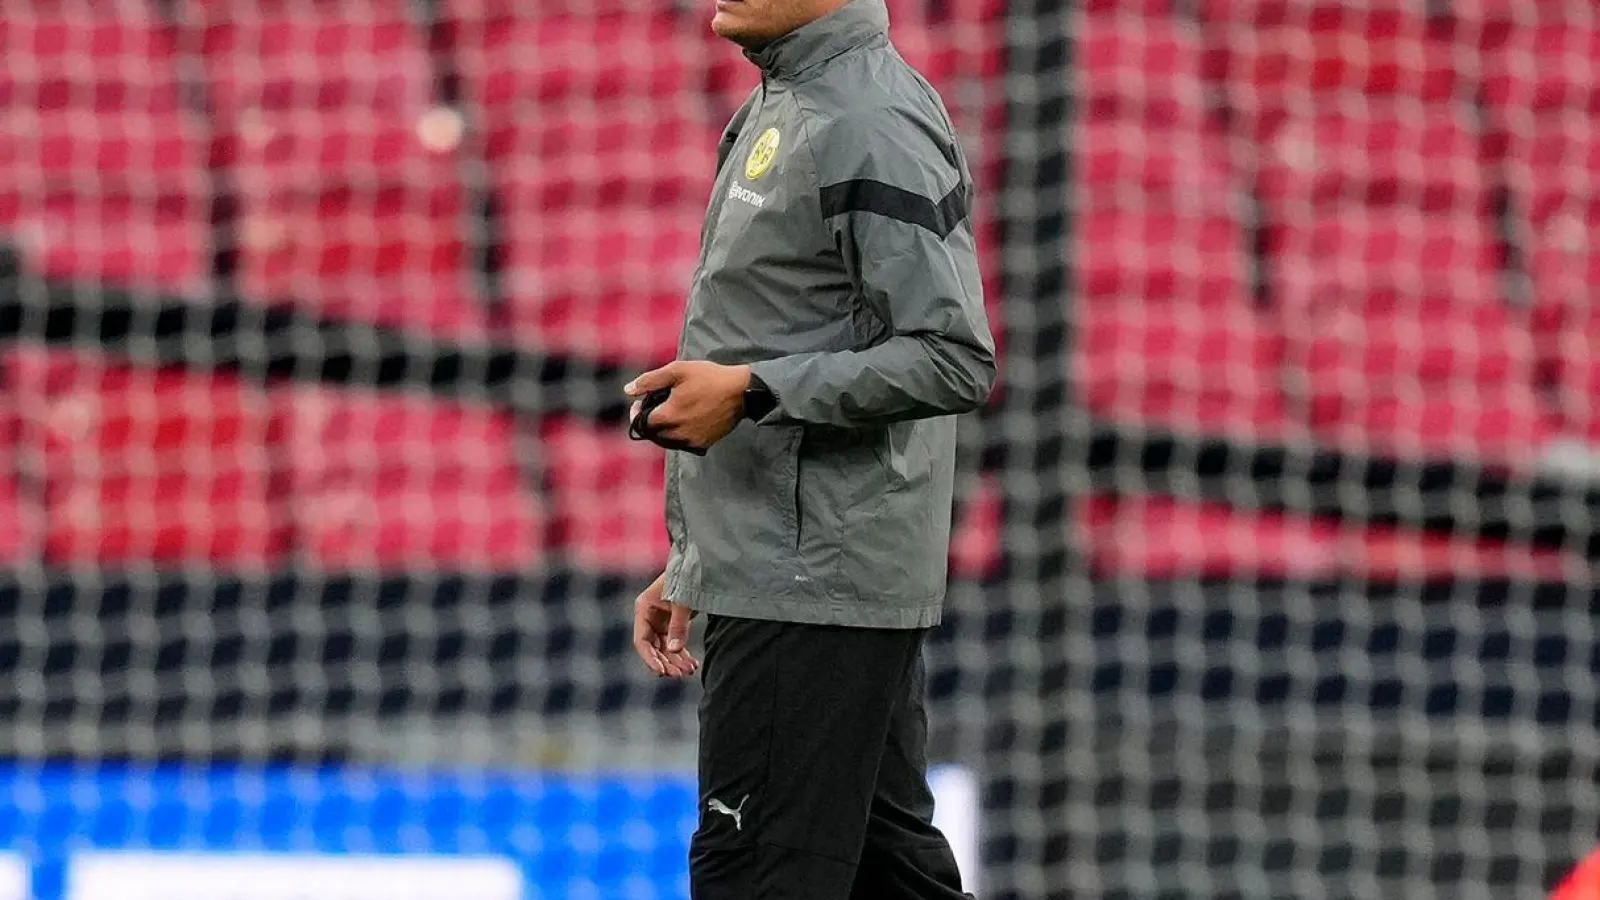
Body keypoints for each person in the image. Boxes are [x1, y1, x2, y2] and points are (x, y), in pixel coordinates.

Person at [624, 0, 996, 895]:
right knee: (887, 873)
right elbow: (793, 317)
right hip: (791, 567)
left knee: (754, 875)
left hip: (811, 584)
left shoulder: (868, 120)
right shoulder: (785, 100)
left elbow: (954, 356)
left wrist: (755, 391)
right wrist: (700, 557)